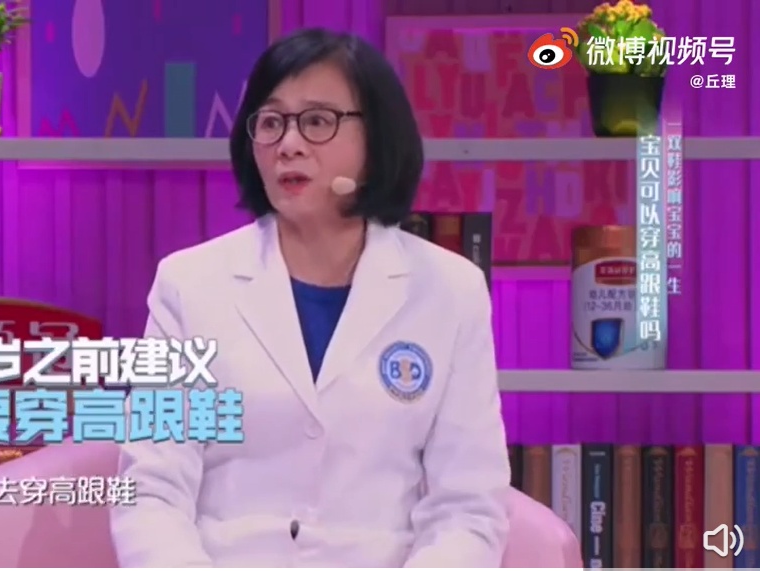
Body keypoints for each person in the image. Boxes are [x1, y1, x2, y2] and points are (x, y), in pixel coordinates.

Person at [111, 28, 510, 567]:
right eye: (271, 122)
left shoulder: (450, 290)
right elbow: (151, 491)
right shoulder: (189, 283)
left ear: (377, 138)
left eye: (318, 121)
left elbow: (467, 508)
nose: (289, 144)